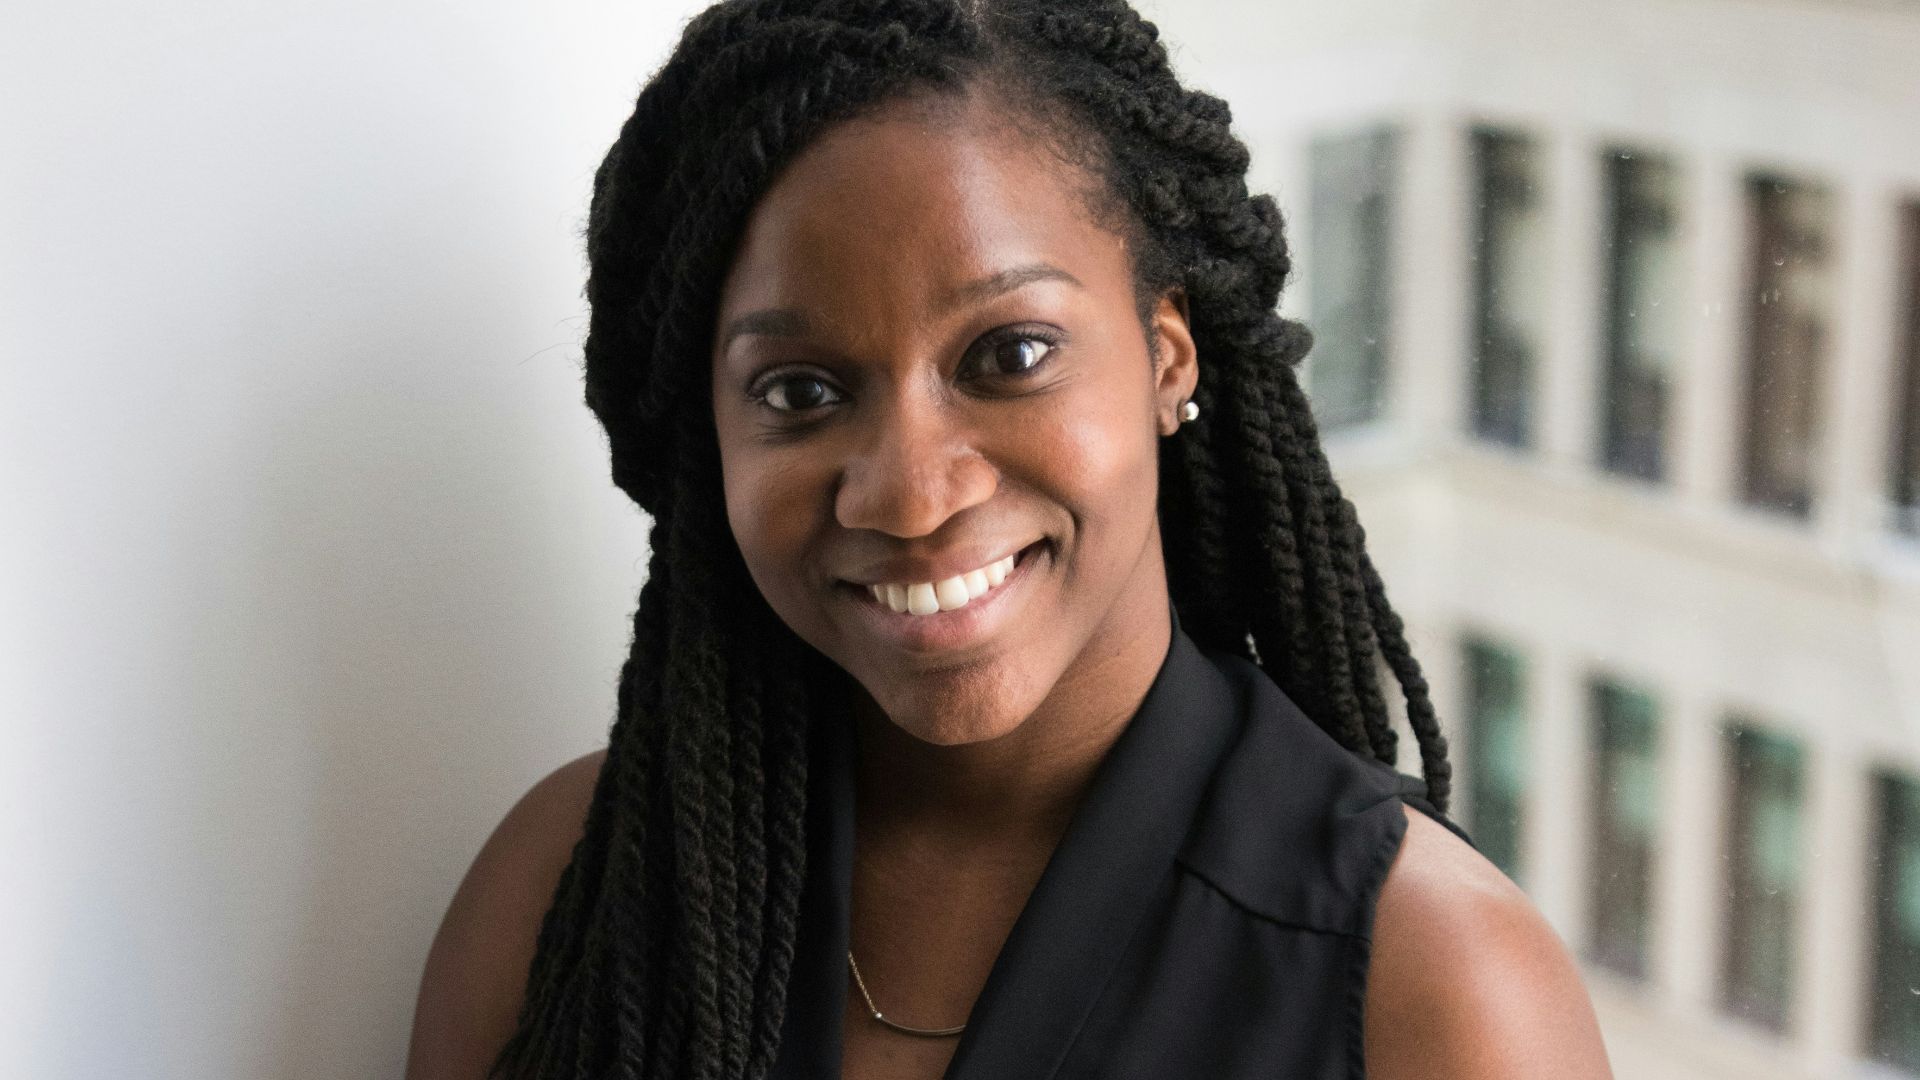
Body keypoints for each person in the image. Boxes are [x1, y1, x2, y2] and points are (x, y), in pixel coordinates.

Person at [405, 1, 1614, 1077]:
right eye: (799, 392)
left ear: (1167, 355)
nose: (913, 495)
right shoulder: (570, 892)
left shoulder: (1437, 990)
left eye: (1010, 356)